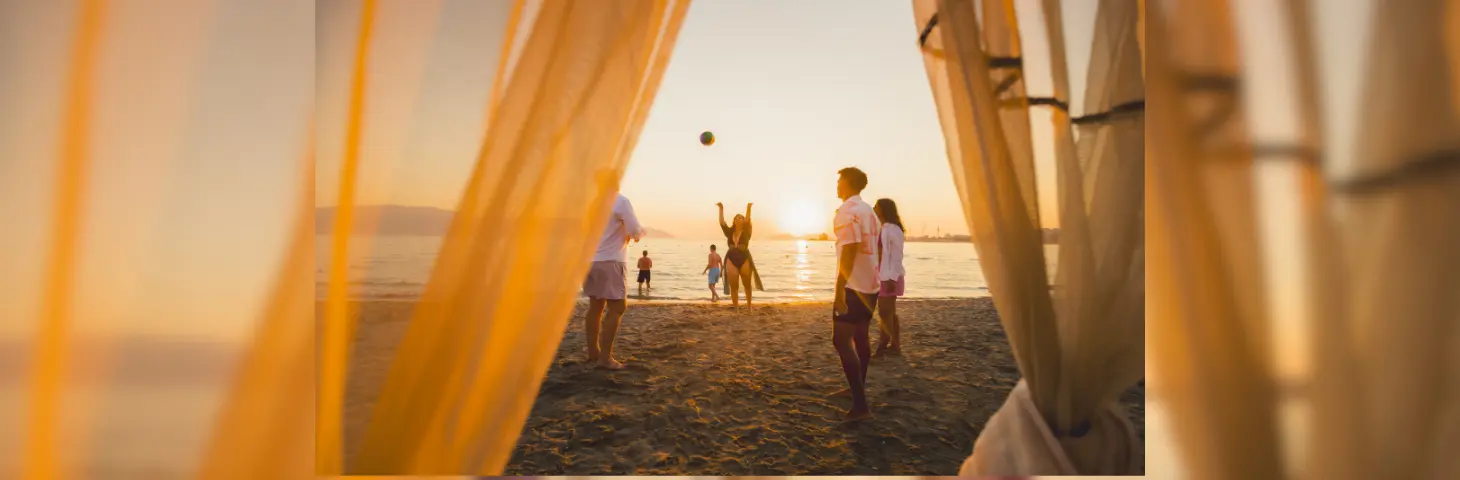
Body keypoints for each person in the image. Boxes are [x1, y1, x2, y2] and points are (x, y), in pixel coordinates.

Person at [828, 167, 880, 420]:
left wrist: (839, 289)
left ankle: (860, 406)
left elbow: (849, 251)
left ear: (849, 184)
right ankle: (855, 388)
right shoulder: (868, 210)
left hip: (853, 286)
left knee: (840, 340)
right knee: (860, 337)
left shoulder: (846, 212)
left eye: (840, 181)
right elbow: (875, 246)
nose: (837, 185)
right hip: (871, 284)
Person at [582, 193, 644, 370]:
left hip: (590, 260)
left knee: (595, 306)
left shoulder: (592, 200)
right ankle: (605, 358)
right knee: (617, 307)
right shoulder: (620, 200)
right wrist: (638, 234)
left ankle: (593, 353)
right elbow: (635, 231)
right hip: (611, 259)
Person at [873, 198, 906, 357]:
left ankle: (884, 344)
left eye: (876, 206)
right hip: (882, 275)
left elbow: (897, 256)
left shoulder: (894, 230)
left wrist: (892, 278)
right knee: (888, 312)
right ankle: (894, 345)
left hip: (890, 276)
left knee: (885, 312)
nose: (874, 208)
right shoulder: (883, 228)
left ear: (883, 209)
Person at [716, 202, 765, 306]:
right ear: (733, 221)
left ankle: (749, 307)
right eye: (736, 217)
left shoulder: (747, 231)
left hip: (744, 258)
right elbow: (722, 222)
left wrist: (748, 208)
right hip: (731, 258)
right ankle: (736, 309)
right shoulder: (729, 232)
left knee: (747, 284)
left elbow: (748, 219)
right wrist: (721, 208)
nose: (738, 218)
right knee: (734, 286)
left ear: (744, 221)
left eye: (741, 217)